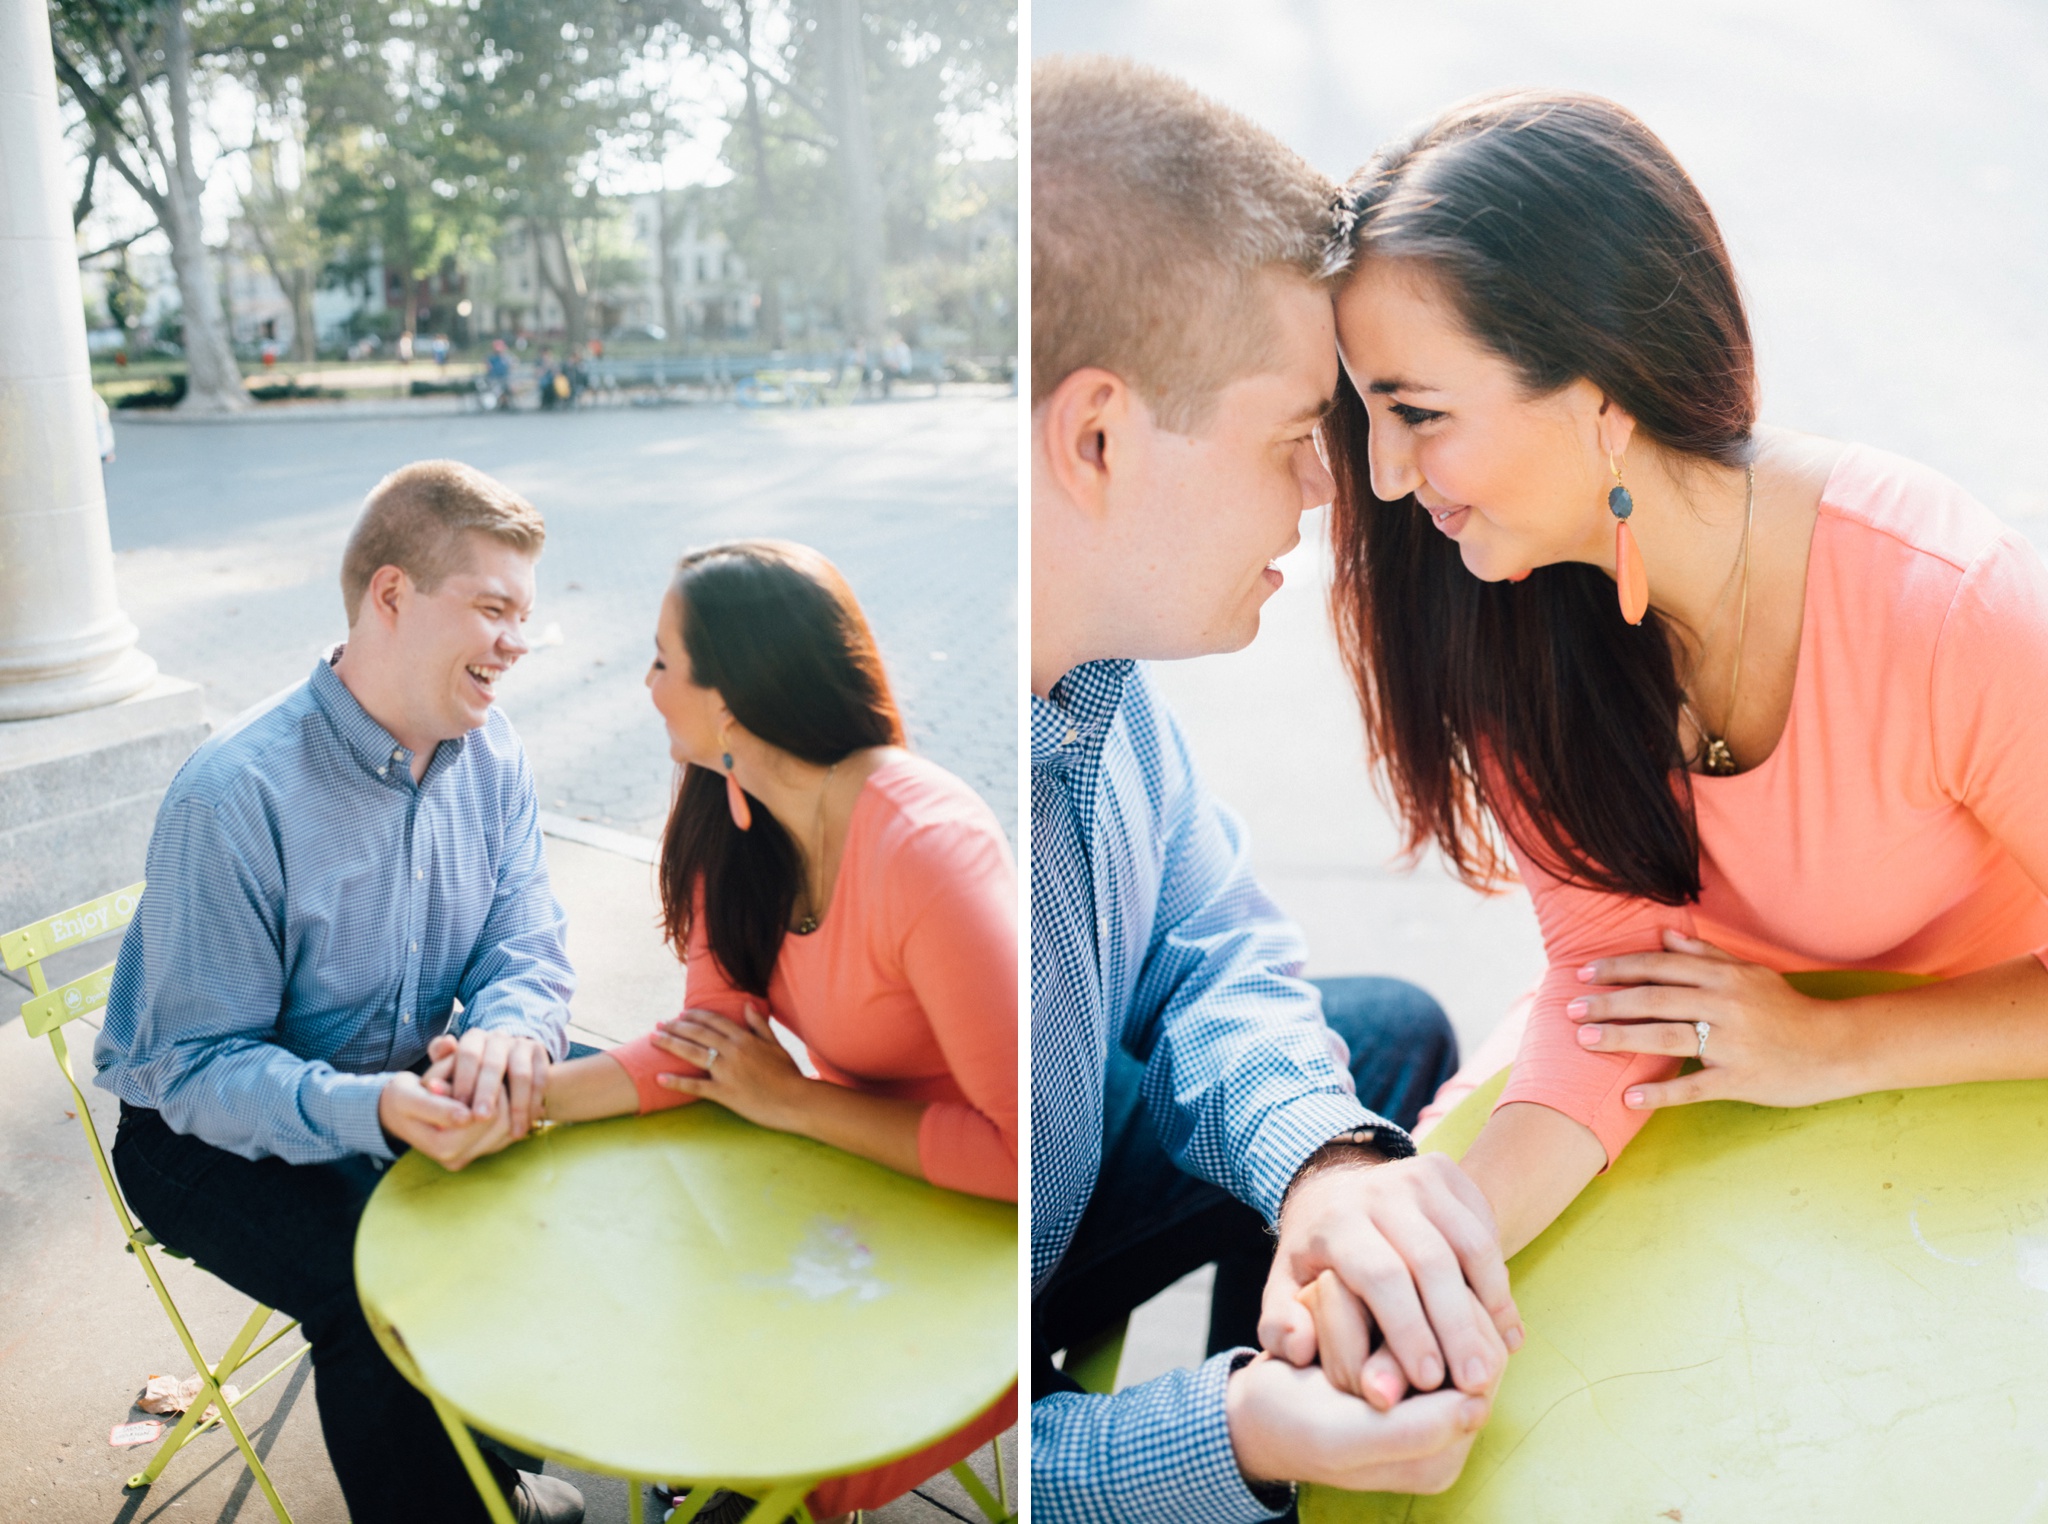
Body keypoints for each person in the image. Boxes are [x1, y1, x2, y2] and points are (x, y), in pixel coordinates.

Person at [1315, 89, 2048, 1296]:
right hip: (1716, 1108)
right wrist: (1439, 1254)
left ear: (1601, 394)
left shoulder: (1943, 602)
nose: (1385, 478)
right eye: (1368, 417)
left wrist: (1827, 1042)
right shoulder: (1507, 607)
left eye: (1417, 415)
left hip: (1973, 1127)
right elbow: (1614, 991)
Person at [1028, 56, 1522, 1523]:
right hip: (947, 1278)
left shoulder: (1104, 684)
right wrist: (1222, 1437)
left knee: (1375, 1057)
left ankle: (1305, 1362)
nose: (1333, 486)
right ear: (1100, 437)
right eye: (1292, 430)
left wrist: (1316, 1161)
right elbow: (928, 1442)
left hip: (1066, 1173)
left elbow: (1213, 939)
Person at [457, 540, 1017, 1522]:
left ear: (729, 698)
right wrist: (517, 1099)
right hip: (856, 1189)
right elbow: (707, 1042)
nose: (646, 682)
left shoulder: (926, 845)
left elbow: (1026, 1157)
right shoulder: (734, 810)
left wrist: (796, 1103)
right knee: (634, 1310)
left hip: (1002, 1244)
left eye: (664, 659)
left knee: (762, 1464)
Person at [94, 461, 585, 1524]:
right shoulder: (237, 791)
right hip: (200, 1136)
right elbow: (196, 1068)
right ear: (392, 596)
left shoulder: (492, 751)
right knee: (383, 1295)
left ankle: (499, 1459)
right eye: (493, 609)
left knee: (615, 1127)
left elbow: (528, 939)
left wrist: (508, 1031)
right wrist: (371, 1113)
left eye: (524, 616)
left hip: (403, 1075)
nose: (516, 643)